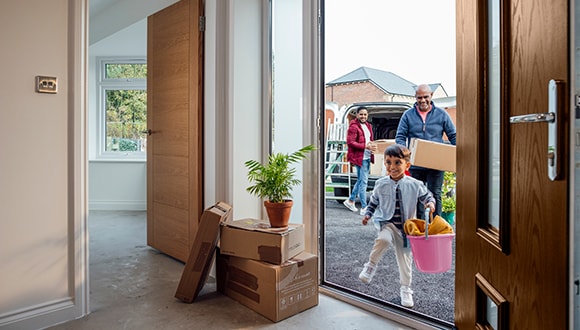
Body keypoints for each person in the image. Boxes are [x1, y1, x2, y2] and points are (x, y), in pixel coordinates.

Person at [359, 144, 435, 308]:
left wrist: (430, 203)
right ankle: (371, 265)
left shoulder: (415, 184)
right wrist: (367, 214)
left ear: (407, 165)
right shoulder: (381, 184)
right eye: (388, 162)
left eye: (397, 163)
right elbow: (374, 202)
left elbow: (427, 196)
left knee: (405, 261)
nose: (392, 167)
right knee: (383, 240)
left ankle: (406, 289)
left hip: (407, 229)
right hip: (388, 224)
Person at [395, 84, 456, 218]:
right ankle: (421, 227)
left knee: (435, 194)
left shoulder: (442, 114)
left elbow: (453, 135)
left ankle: (437, 226)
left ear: (431, 96)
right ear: (415, 98)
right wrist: (404, 153)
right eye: (419, 98)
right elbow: (400, 137)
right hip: (416, 164)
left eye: (425, 97)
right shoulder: (408, 115)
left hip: (436, 164)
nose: (422, 100)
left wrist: (459, 153)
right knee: (418, 195)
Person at [343, 106, 377, 215]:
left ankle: (351, 200)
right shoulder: (353, 127)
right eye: (361, 114)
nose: (363, 116)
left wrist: (372, 146)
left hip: (367, 156)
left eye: (365, 114)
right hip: (359, 157)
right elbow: (350, 142)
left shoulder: (368, 126)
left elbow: (369, 140)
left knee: (360, 180)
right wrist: (365, 147)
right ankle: (364, 207)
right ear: (357, 115)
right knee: (364, 182)